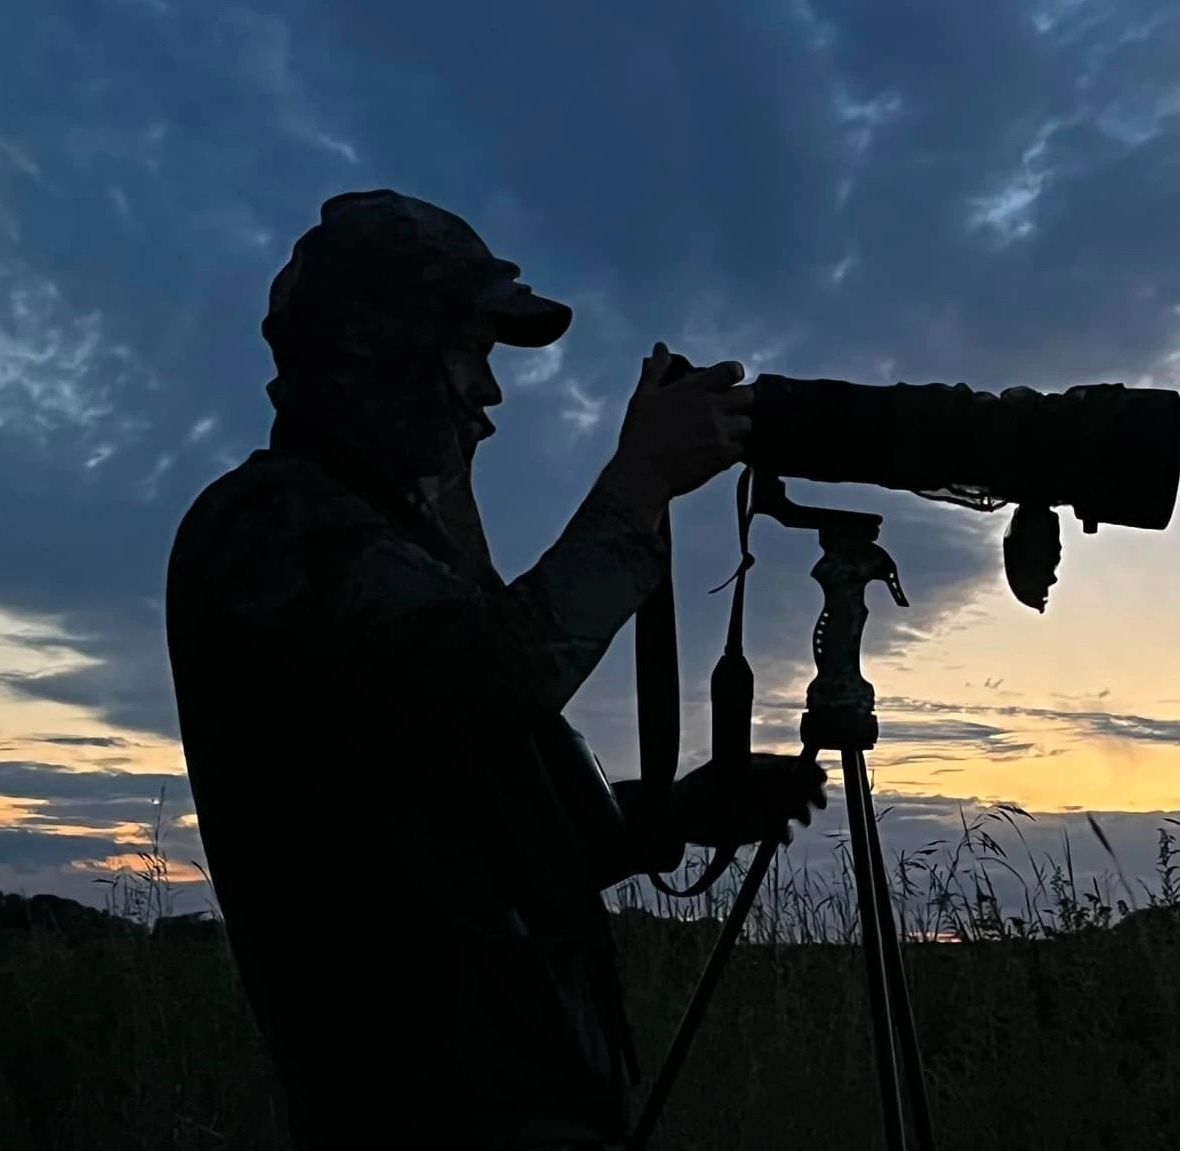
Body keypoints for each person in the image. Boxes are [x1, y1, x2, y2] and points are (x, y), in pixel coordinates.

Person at [164, 189, 828, 1150]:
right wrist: (640, 481)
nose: (489, 393)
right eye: (469, 350)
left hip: (508, 1092)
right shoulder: (269, 529)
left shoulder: (376, 541)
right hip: (420, 1107)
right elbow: (499, 670)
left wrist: (678, 813)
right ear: (379, 349)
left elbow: (478, 824)